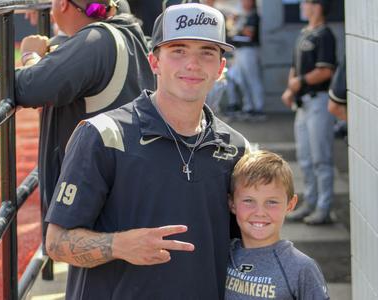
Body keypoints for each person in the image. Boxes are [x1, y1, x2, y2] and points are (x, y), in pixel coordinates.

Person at [44, 3, 249, 299]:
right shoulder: (103, 135)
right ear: (154, 62)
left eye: (206, 52)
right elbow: (57, 243)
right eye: (178, 50)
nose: (192, 64)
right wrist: (119, 245)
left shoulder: (233, 148)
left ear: (220, 68)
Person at [0, 0, 155, 232]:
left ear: (63, 4)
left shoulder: (96, 42)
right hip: (121, 194)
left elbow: (32, 87)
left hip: (98, 206)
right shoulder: (126, 29)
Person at [226, 150, 330, 299]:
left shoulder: (301, 268)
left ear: (290, 204)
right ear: (232, 203)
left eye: (272, 202)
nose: (260, 212)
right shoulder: (223, 256)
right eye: (249, 201)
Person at [281, 0, 336, 225]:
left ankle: (324, 208)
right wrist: (290, 88)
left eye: (306, 2)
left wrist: (299, 82)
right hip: (303, 103)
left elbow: (326, 71)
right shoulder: (305, 33)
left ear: (317, 6)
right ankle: (310, 202)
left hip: (318, 101)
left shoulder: (325, 35)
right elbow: (294, 67)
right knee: (305, 158)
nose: (302, 6)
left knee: (321, 159)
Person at [226, 0, 265, 120]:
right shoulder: (241, 16)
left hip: (250, 50)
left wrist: (237, 27)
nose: (244, 3)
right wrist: (234, 23)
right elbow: (231, 30)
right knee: (241, 80)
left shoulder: (253, 15)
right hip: (238, 51)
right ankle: (248, 107)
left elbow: (248, 34)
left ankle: (258, 108)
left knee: (253, 79)